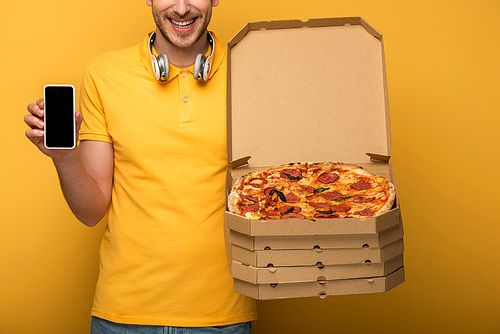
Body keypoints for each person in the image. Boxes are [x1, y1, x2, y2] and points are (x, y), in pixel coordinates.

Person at [24, 0, 257, 333]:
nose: (181, 8)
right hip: (122, 317)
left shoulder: (252, 70)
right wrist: (65, 158)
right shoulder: (105, 74)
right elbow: (91, 212)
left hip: (224, 316)